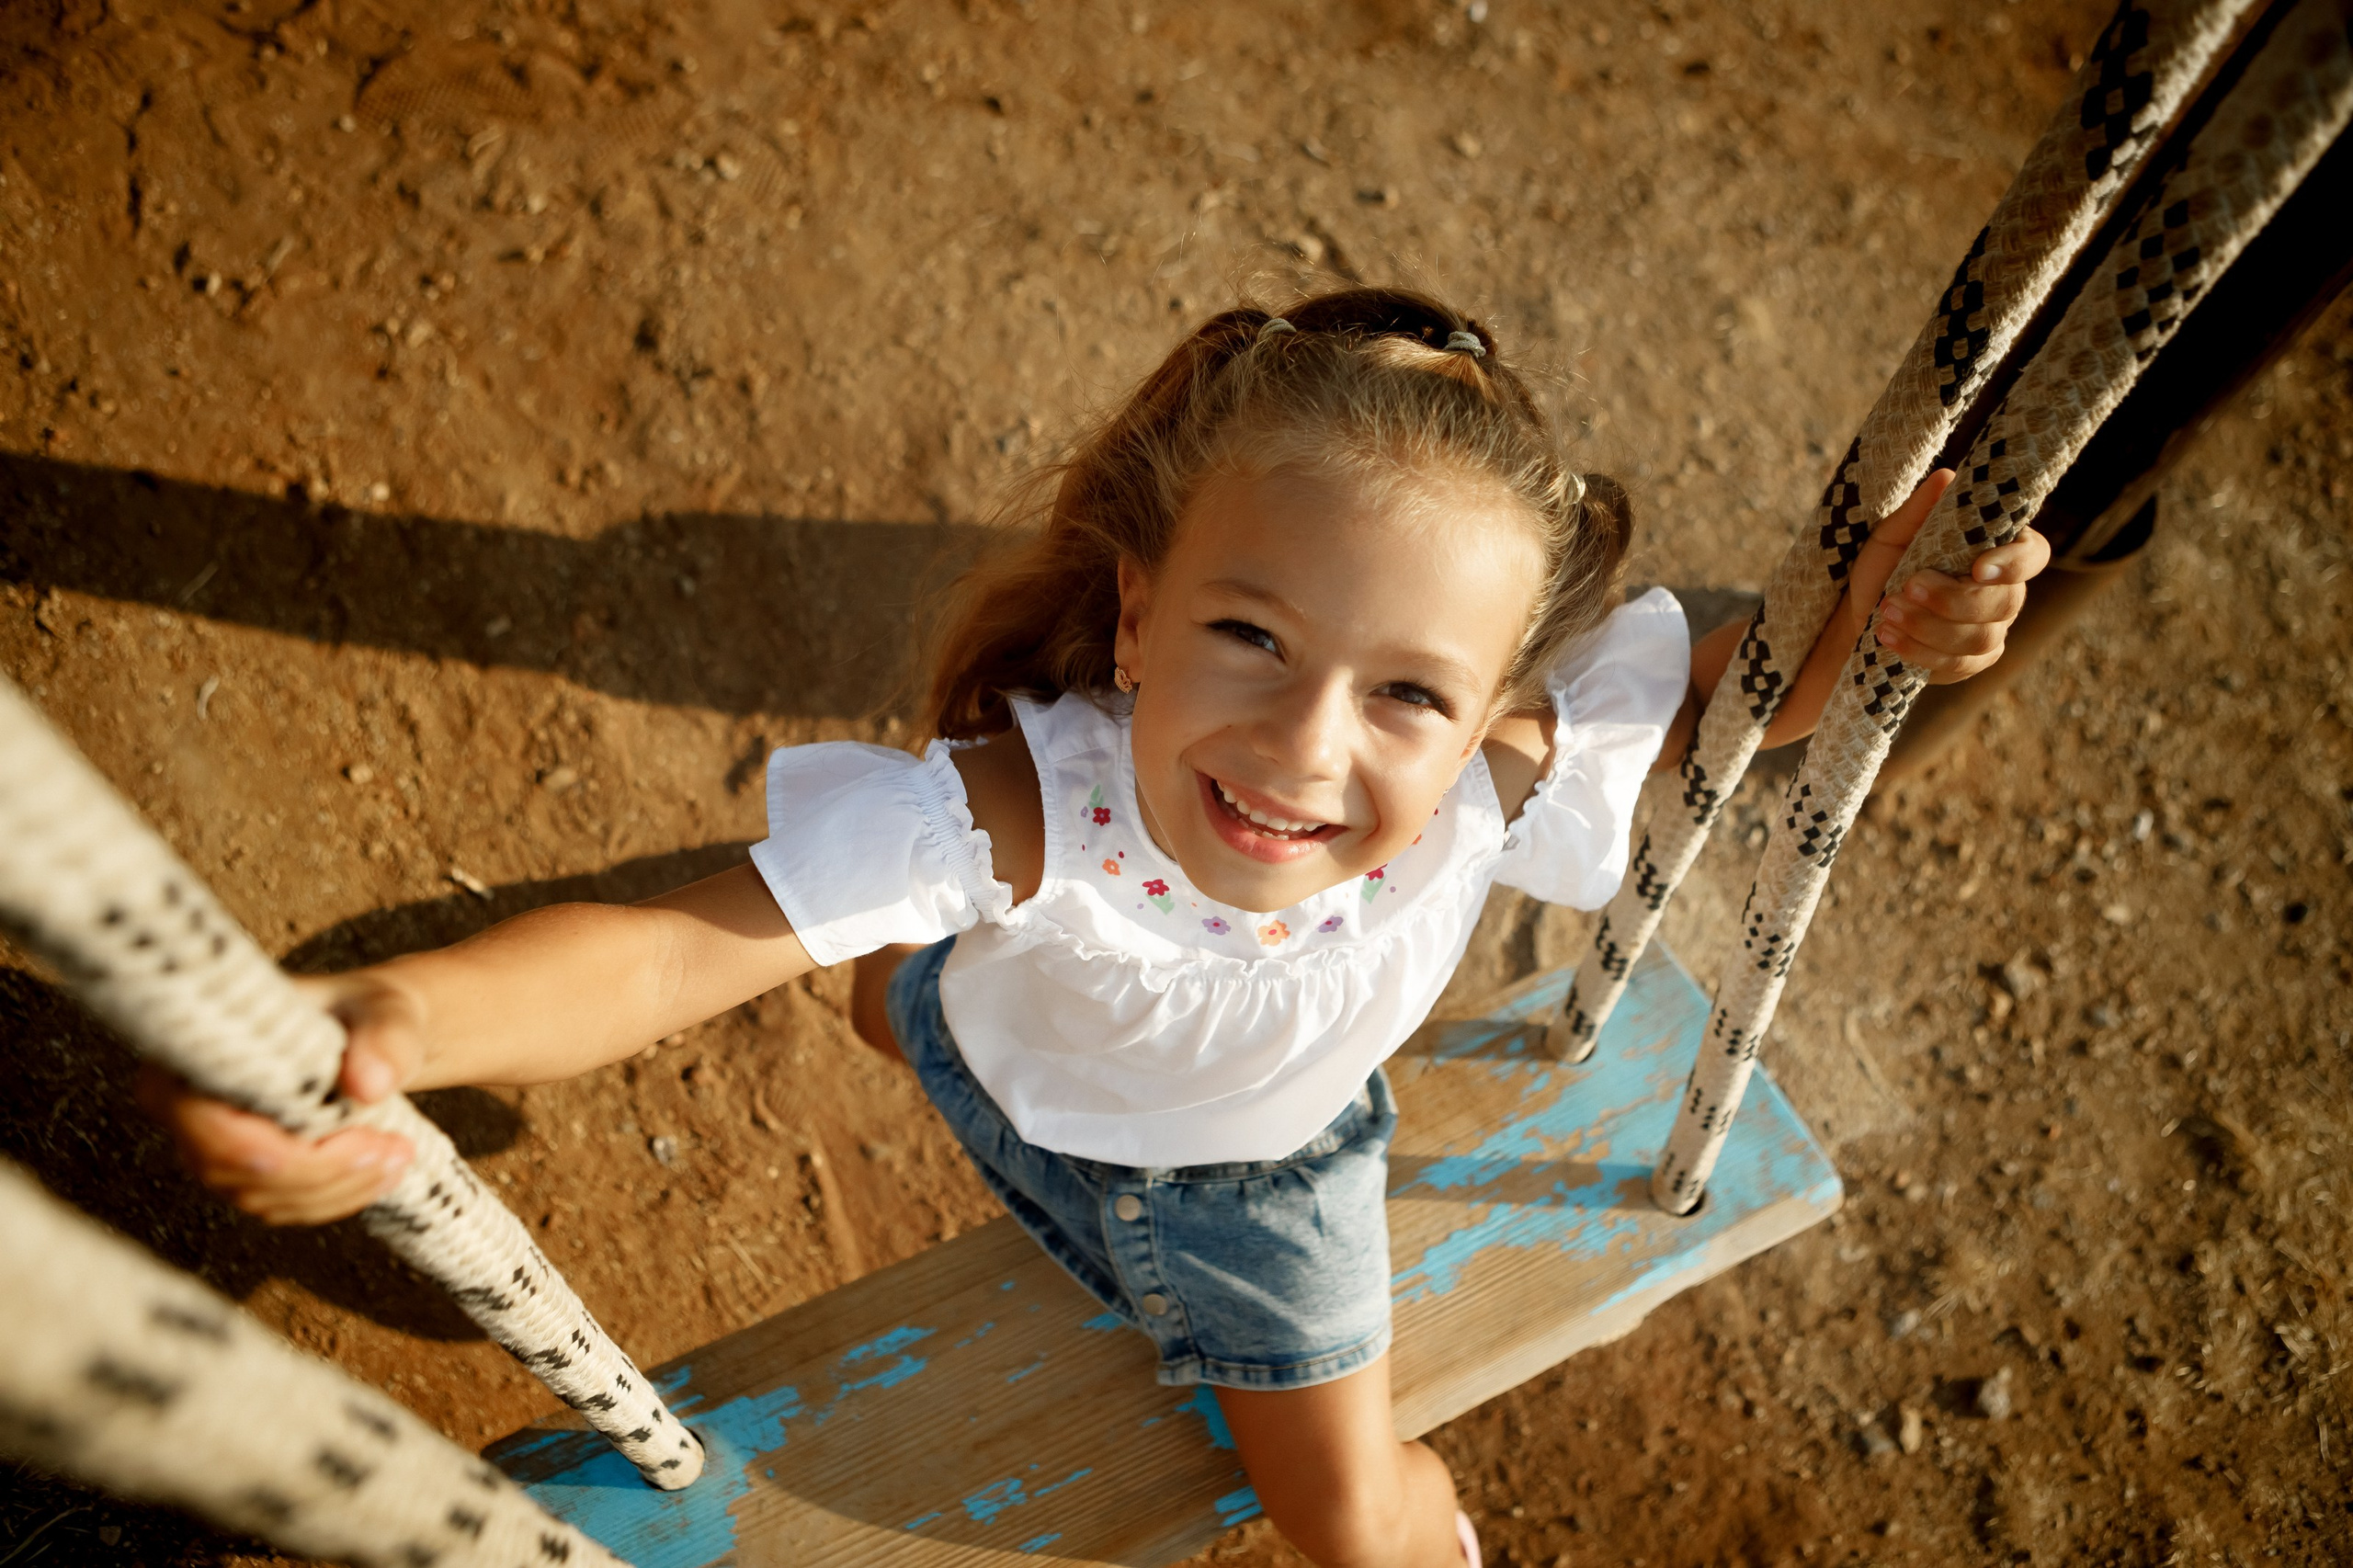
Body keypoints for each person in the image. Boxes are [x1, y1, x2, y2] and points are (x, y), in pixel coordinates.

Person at [149, 288, 2046, 1568]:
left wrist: (1880, 623)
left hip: (1260, 1182)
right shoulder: (1016, 812)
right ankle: (905, 994)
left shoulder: (1493, 770)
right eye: (1250, 637)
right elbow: (665, 952)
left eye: (1407, 691)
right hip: (1014, 1056)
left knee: (1346, 1524)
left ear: (1488, 705)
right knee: (909, 978)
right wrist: (396, 1020)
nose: (1304, 749)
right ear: (1136, 616)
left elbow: (1725, 701)